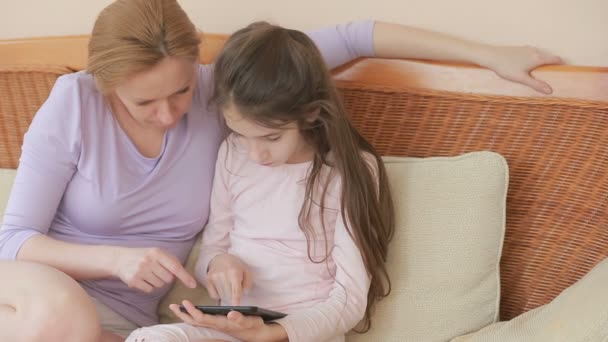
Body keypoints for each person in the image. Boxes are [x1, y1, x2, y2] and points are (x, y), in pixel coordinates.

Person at [0, 0, 561, 341]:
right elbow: (14, 239)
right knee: (61, 319)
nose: (169, 114)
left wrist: (488, 55)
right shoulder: (73, 102)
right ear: (105, 83)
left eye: (179, 90)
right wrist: (115, 260)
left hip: (125, 323)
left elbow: (350, 37)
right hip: (37, 293)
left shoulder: (222, 93)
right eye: (142, 104)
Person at [127, 21, 394, 342]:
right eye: (241, 134)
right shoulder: (233, 153)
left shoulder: (348, 171)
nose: (256, 154)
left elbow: (349, 300)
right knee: (149, 338)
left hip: (300, 331)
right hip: (231, 327)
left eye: (271, 136)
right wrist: (219, 264)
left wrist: (274, 333)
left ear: (309, 114)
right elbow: (213, 247)